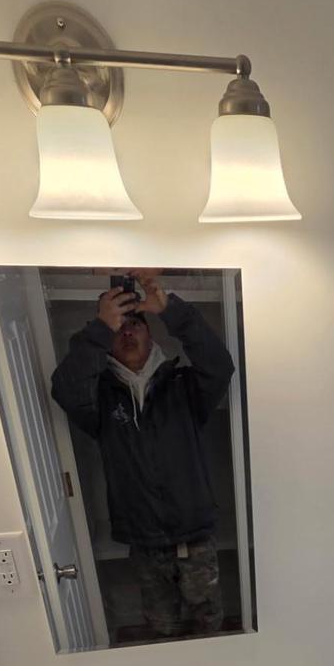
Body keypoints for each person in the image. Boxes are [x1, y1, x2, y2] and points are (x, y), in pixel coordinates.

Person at [51, 271, 235, 638]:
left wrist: (170, 308)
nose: (128, 332)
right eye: (119, 327)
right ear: (107, 338)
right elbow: (66, 389)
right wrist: (101, 327)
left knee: (208, 619)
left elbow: (219, 366)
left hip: (194, 529)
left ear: (151, 333)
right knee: (161, 622)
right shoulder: (100, 399)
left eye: (136, 324)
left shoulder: (182, 388)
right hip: (143, 534)